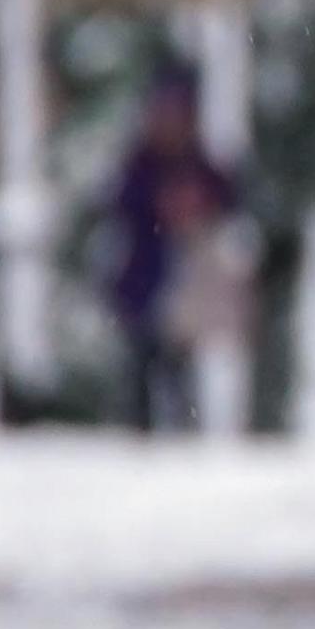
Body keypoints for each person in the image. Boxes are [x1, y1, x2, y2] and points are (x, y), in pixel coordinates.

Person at [106, 63, 240, 432]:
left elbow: (227, 198)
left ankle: (180, 429)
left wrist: (195, 205)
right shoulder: (141, 163)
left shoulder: (196, 162)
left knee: (178, 365)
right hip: (145, 279)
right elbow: (123, 206)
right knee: (141, 363)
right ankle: (140, 430)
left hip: (183, 282)